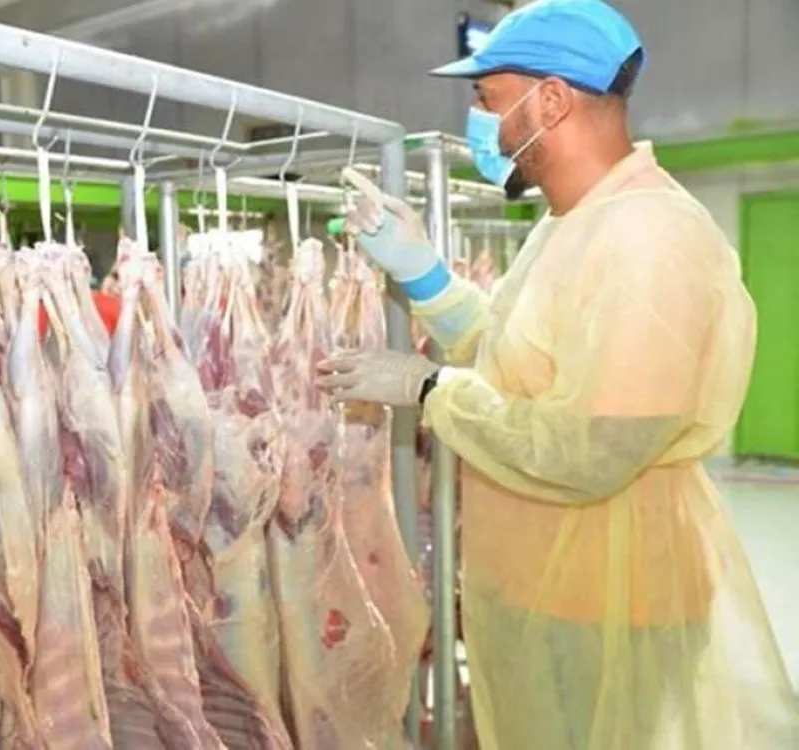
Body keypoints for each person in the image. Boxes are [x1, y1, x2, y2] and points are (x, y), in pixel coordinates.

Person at [316, 1, 799, 748]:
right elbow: (513, 355)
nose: (483, 124)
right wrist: (424, 275)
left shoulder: (650, 238)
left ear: (550, 101)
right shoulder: (574, 222)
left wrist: (430, 389)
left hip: (609, 594)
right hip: (552, 580)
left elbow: (591, 450)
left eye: (488, 101)